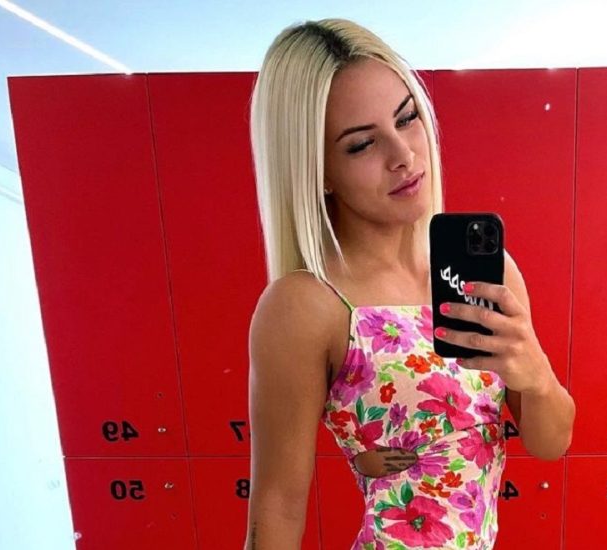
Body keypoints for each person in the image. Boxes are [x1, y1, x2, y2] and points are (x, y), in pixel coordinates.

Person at [244, 18, 575, 550]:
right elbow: (278, 508)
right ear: (316, 169)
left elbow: (550, 444)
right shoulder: (306, 305)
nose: (404, 155)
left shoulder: (489, 274)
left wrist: (535, 374)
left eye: (407, 118)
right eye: (361, 145)